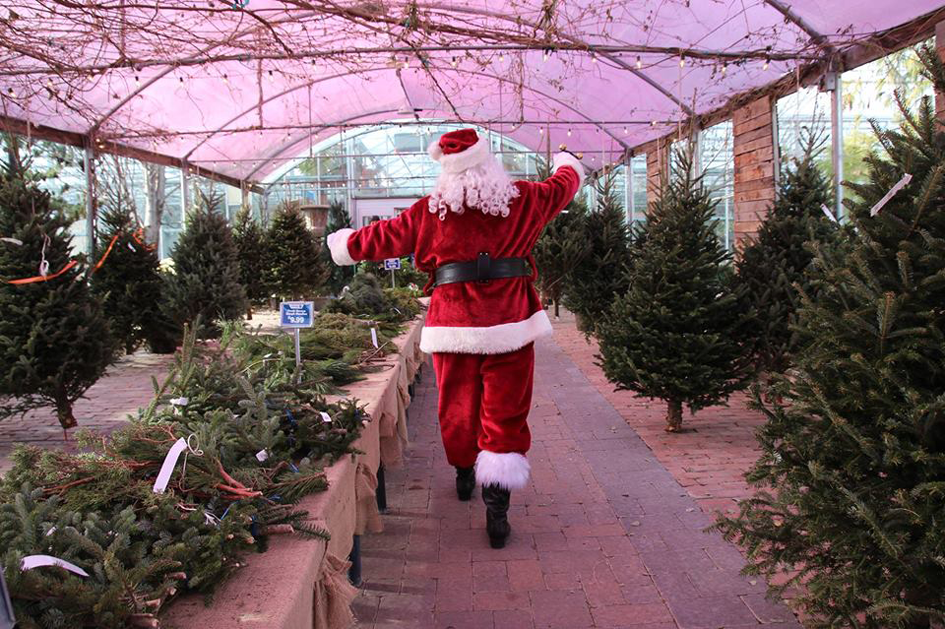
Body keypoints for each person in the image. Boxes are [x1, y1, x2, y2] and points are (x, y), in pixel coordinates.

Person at [327, 129, 583, 548]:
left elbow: (383, 236)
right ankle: (497, 506)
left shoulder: (432, 210)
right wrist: (566, 162)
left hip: (453, 325)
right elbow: (561, 187)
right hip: (511, 322)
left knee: (458, 407)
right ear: (489, 163)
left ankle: (465, 473)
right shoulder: (522, 198)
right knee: (506, 408)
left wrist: (344, 244)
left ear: (446, 171)